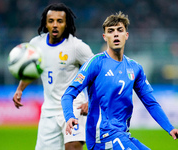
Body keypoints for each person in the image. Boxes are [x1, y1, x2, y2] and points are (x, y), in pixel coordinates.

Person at [61, 11, 178, 150]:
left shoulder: (135, 68)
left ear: (126, 35)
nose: (115, 34)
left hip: (122, 134)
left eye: (119, 30)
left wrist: (170, 128)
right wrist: (69, 116)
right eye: (110, 31)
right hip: (102, 136)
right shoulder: (96, 63)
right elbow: (68, 94)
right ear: (105, 37)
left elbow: (150, 103)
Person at [12, 3, 94, 150]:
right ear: (45, 23)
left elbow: (96, 72)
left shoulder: (77, 47)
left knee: (73, 146)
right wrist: (20, 89)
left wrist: (91, 100)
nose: (55, 25)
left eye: (60, 21)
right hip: (49, 111)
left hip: (74, 107)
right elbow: (31, 70)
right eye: (51, 21)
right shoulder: (36, 44)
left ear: (66, 23)